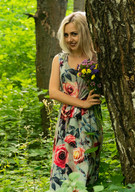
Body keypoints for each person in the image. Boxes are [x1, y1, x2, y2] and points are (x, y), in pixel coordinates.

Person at [49, 12, 103, 191]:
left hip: (90, 123)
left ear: (84, 33)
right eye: (66, 34)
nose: (70, 39)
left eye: (74, 33)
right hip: (66, 123)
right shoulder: (60, 59)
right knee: (62, 170)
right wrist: (82, 103)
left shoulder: (95, 58)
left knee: (86, 168)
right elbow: (53, 92)